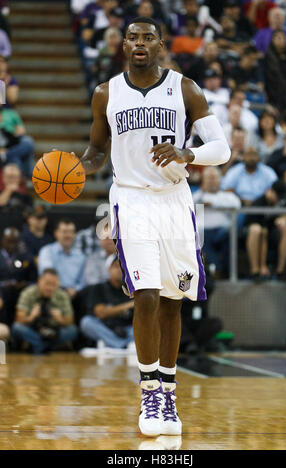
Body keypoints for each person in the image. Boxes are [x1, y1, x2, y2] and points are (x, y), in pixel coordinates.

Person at [77, 17, 230, 436]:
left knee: (172, 300)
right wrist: (76, 168)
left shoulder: (184, 88)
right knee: (144, 294)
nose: (140, 43)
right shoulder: (105, 92)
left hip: (175, 201)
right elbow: (95, 150)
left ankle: (168, 388)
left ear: (161, 45)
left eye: (148, 37)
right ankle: (150, 393)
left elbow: (221, 149)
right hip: (131, 198)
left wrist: (186, 152)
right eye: (132, 37)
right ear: (123, 45)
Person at [12, 268, 78, 354]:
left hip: (55, 332)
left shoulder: (62, 295)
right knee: (17, 328)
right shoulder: (28, 293)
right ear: (39, 281)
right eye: (47, 284)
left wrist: (60, 319)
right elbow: (18, 319)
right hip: (34, 330)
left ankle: (40, 346)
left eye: (53, 285)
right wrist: (31, 317)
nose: (50, 288)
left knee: (72, 330)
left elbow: (70, 321)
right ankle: (47, 346)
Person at [193, 167, 241, 277]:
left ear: (220, 180)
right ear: (203, 180)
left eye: (214, 178)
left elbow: (237, 205)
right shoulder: (197, 195)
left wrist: (212, 203)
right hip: (203, 231)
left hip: (223, 230)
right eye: (209, 178)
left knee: (230, 237)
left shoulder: (227, 196)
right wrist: (202, 200)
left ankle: (224, 271)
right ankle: (215, 268)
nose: (212, 181)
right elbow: (189, 207)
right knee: (199, 237)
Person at [80, 255, 134, 348]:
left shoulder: (133, 289)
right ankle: (123, 345)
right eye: (116, 266)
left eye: (123, 267)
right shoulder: (99, 288)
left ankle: (112, 344)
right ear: (109, 269)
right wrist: (129, 305)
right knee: (87, 322)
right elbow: (101, 313)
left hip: (128, 329)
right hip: (107, 328)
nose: (119, 270)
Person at [244, 180, 286, 280]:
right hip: (252, 233)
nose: (278, 199)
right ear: (270, 191)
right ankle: (255, 271)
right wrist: (263, 266)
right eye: (277, 196)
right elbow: (262, 231)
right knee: (256, 230)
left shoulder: (281, 202)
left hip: (271, 232)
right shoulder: (259, 203)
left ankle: (280, 271)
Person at [38, 218, 86, 299]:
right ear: (56, 234)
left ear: (75, 234)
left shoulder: (81, 256)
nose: (68, 235)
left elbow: (83, 281)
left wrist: (75, 290)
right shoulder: (46, 251)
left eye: (70, 232)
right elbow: (47, 275)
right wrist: (62, 290)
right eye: (64, 232)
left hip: (75, 295)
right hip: (52, 292)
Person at [0, 226, 36, 326]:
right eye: (9, 241)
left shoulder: (26, 257)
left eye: (14, 241)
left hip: (21, 291)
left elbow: (33, 279)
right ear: (2, 240)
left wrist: (24, 284)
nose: (11, 245)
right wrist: (3, 284)